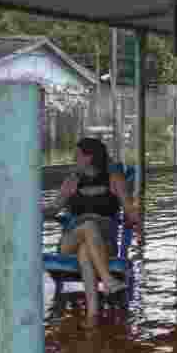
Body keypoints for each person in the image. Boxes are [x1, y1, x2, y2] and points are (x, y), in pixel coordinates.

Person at [44, 137, 140, 322]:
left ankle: (92, 315)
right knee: (87, 226)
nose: (74, 159)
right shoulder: (72, 180)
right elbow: (55, 208)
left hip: (104, 244)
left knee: (86, 251)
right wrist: (35, 210)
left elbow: (129, 208)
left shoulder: (114, 178)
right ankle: (108, 279)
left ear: (89, 157)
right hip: (70, 241)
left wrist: (137, 225)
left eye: (78, 155)